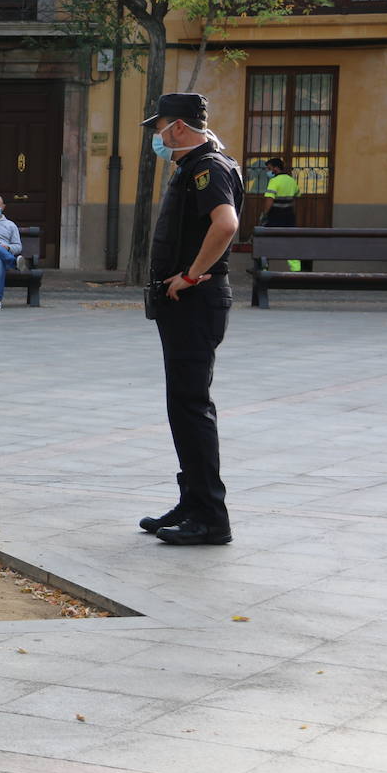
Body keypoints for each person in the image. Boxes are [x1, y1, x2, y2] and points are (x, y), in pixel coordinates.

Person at [137, 93, 242, 546]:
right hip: (185, 303)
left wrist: (192, 276)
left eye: (158, 127)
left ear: (177, 127)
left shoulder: (208, 168)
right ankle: (193, 501)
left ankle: (211, 517)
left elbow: (226, 224)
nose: (156, 137)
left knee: (192, 406)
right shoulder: (197, 166)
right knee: (183, 404)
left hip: (196, 302)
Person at [260, 158, 303, 272]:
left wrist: (264, 214)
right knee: (291, 242)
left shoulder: (274, 181)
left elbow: (269, 199)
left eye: (269, 168)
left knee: (264, 241)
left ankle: (263, 267)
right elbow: (297, 196)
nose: (268, 171)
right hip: (289, 216)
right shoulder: (291, 180)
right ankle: (296, 269)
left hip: (275, 216)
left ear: (276, 168)